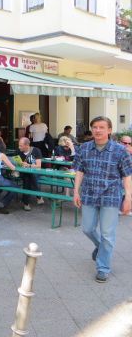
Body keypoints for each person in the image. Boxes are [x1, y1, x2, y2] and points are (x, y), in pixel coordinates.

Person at [73, 116, 132, 283]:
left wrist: (128, 197)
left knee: (107, 234)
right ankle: (100, 248)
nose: (97, 130)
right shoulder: (84, 148)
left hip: (111, 196)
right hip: (89, 195)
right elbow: (79, 171)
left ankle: (103, 268)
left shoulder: (120, 151)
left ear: (109, 130)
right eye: (95, 127)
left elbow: (127, 176)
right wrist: (76, 192)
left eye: (101, 127)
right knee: (87, 228)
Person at [17, 137, 44, 211]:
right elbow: (17, 164)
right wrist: (19, 164)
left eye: (21, 146)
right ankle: (39, 196)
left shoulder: (36, 151)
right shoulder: (19, 152)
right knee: (28, 176)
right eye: (19, 145)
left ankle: (26, 203)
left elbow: (39, 166)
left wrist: (28, 165)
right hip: (24, 172)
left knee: (29, 177)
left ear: (27, 145)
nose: (19, 147)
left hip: (34, 173)